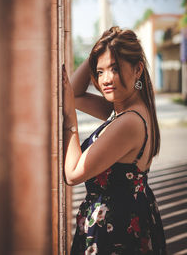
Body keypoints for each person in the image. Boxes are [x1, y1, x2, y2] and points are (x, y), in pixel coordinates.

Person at [62, 26, 167, 255]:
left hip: (116, 232)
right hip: (124, 221)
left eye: (115, 68)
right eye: (100, 72)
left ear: (138, 69)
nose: (105, 80)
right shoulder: (126, 109)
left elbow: (72, 174)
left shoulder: (128, 122)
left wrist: (71, 119)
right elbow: (75, 93)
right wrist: (102, 45)